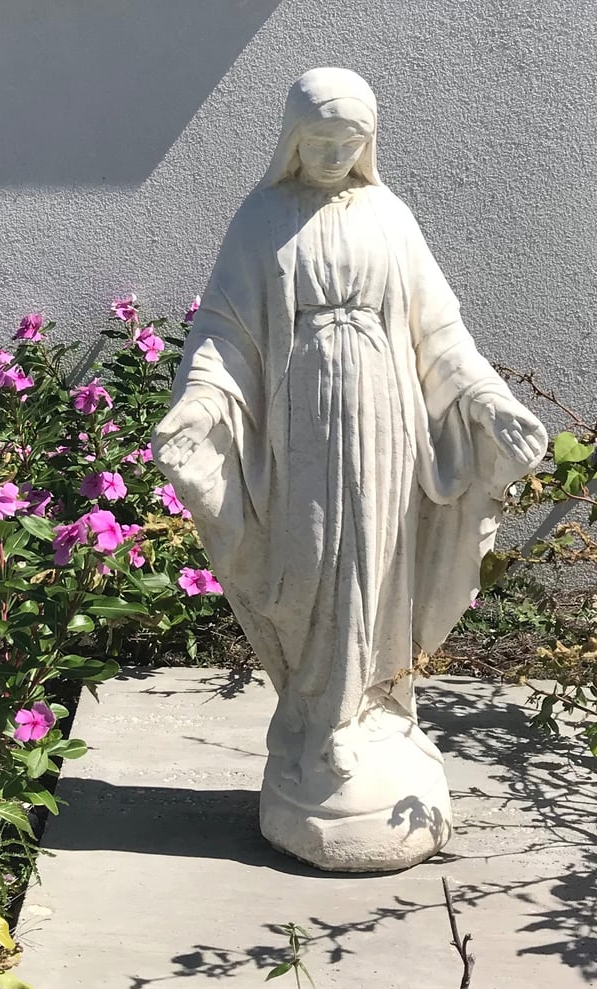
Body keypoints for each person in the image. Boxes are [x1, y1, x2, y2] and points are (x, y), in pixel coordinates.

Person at [153, 69, 546, 854]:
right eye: (320, 141)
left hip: (386, 424)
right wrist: (200, 405)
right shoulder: (262, 216)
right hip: (304, 435)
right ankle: (315, 722)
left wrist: (487, 397)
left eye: (350, 143)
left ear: (369, 144)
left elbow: (439, 334)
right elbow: (225, 332)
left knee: (379, 564)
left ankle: (375, 715)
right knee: (315, 568)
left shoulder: (390, 216)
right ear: (292, 139)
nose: (334, 156)